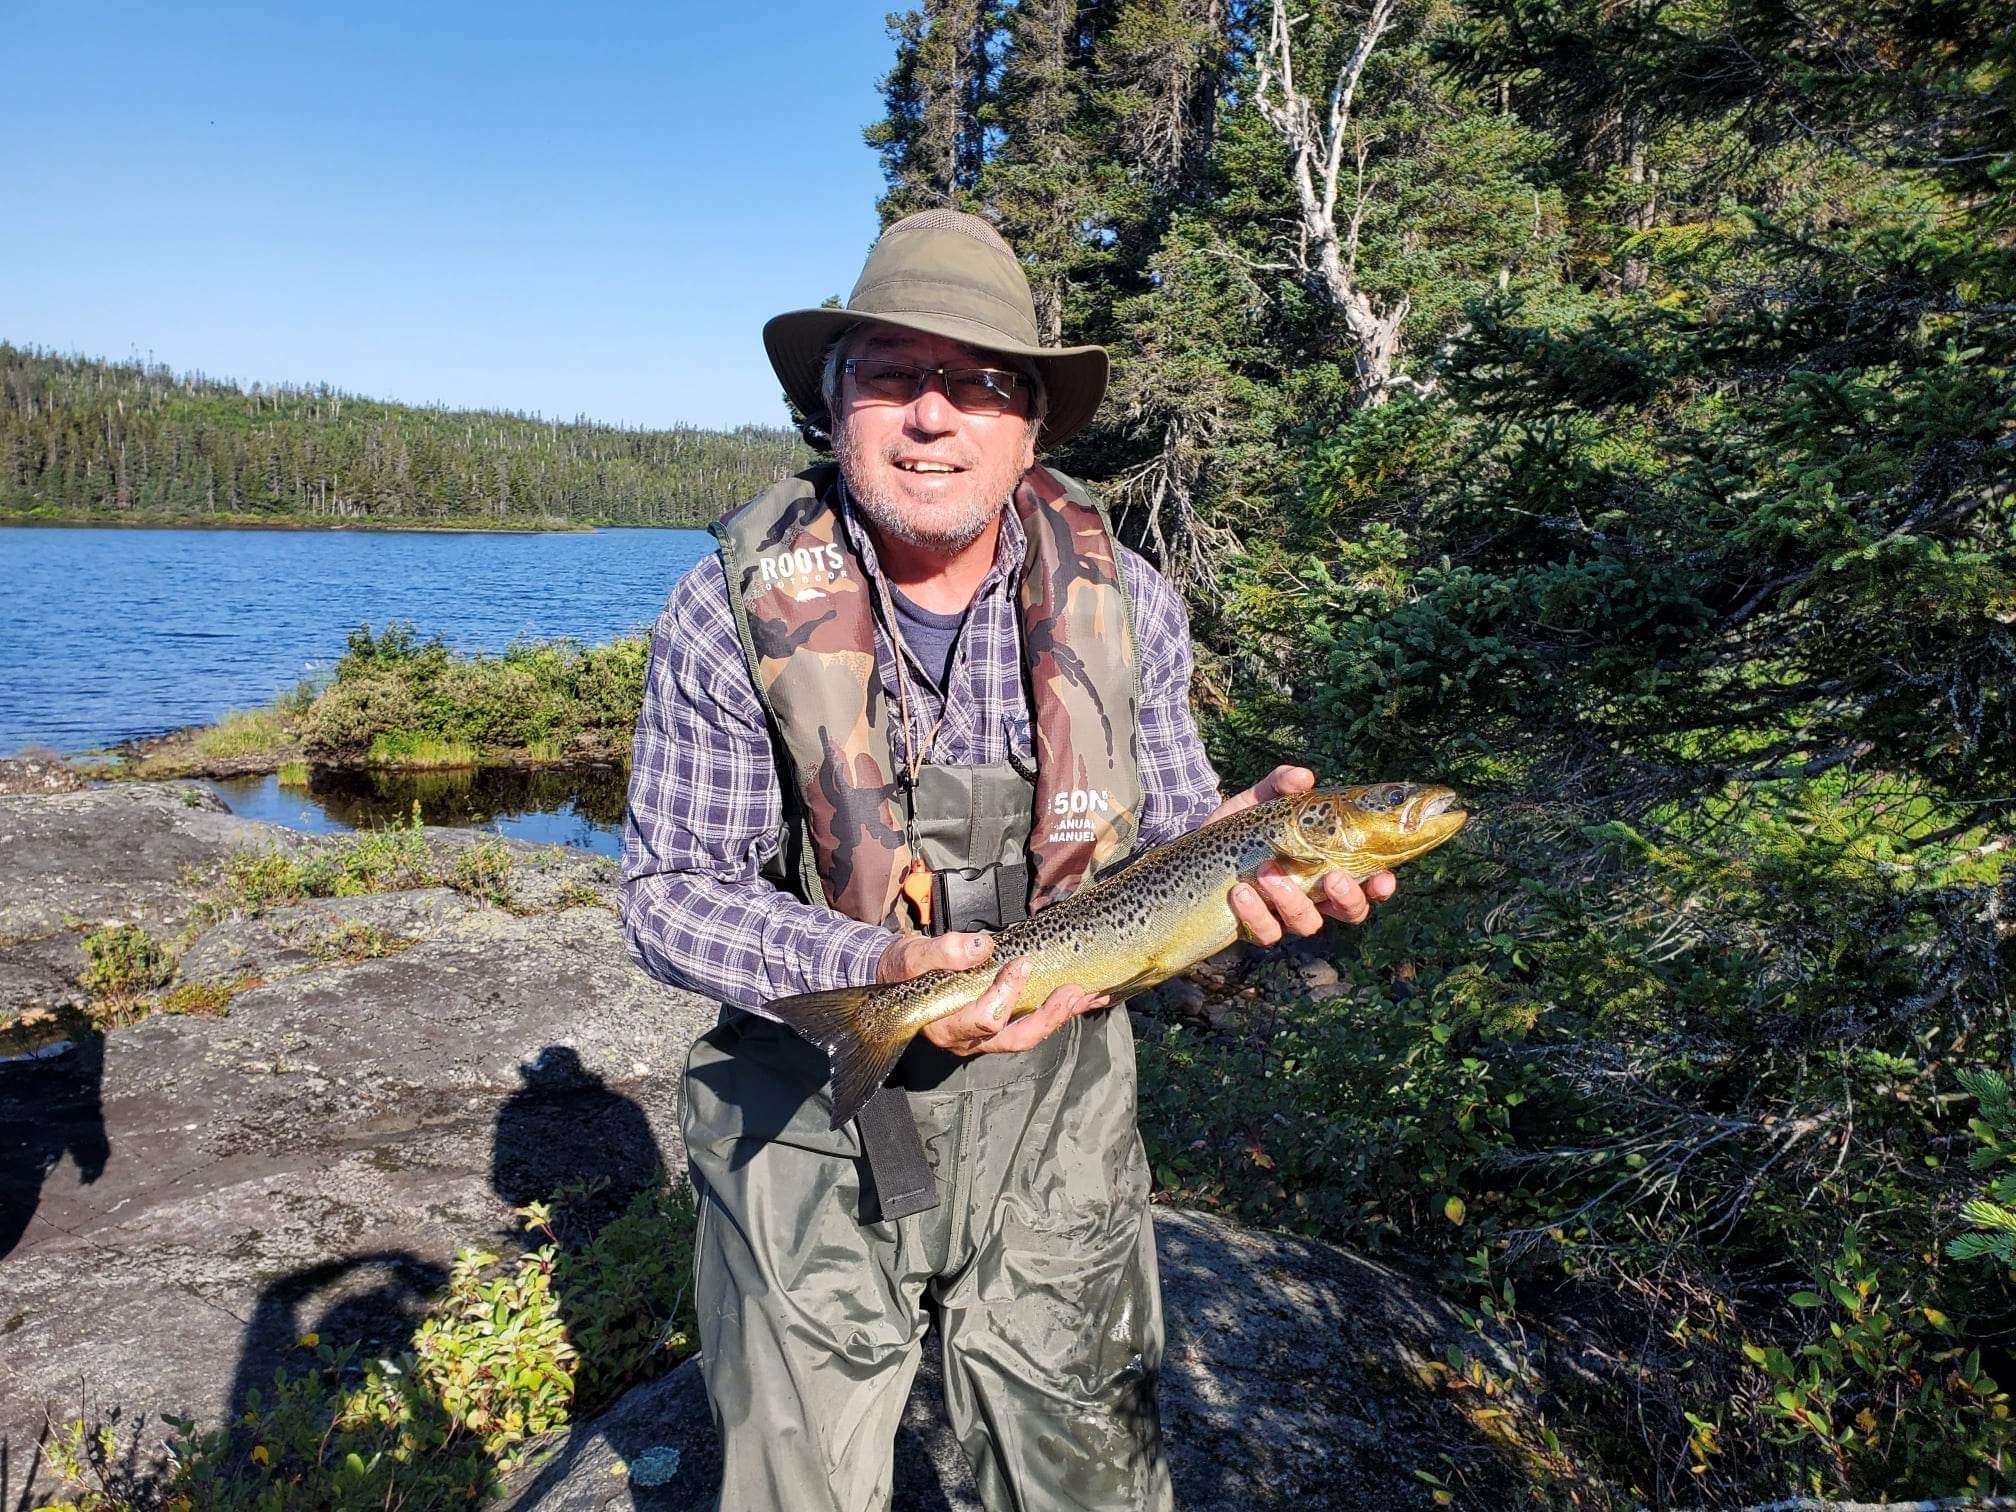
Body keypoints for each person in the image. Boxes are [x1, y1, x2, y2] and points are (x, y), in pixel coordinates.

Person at [619, 209, 1396, 1512]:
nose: (934, 415)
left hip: (1059, 1117)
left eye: (980, 382)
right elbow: (669, 893)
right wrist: (879, 966)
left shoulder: (1128, 599)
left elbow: (1165, 844)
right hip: (809, 1114)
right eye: (890, 375)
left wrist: (1234, 849)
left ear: (1034, 424)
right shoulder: (726, 608)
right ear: (832, 404)